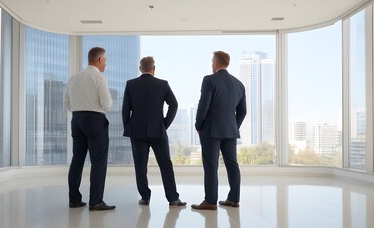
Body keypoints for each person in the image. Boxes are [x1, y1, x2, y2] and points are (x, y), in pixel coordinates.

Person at [122, 56, 186, 207]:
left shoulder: (131, 84)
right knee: (165, 165)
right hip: (158, 130)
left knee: (140, 165)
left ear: (140, 69)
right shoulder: (162, 84)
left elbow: (125, 109)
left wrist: (128, 127)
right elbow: (174, 105)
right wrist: (164, 124)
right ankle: (173, 199)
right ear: (154, 69)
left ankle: (145, 197)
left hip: (137, 132)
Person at [191, 51, 247, 210]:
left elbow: (204, 105)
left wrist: (198, 125)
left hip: (211, 130)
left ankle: (210, 201)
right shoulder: (239, 84)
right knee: (232, 164)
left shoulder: (209, 80)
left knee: (210, 165)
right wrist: (234, 125)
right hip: (230, 130)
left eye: (212, 61)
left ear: (216, 63)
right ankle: (234, 199)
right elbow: (243, 111)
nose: (211, 64)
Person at [64, 47, 115, 211]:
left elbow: (66, 103)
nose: (105, 63)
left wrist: (79, 110)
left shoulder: (74, 78)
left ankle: (74, 200)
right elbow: (107, 104)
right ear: (100, 60)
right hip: (95, 120)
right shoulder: (99, 77)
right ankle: (96, 201)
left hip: (76, 119)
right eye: (105, 60)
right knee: (98, 161)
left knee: (77, 160)